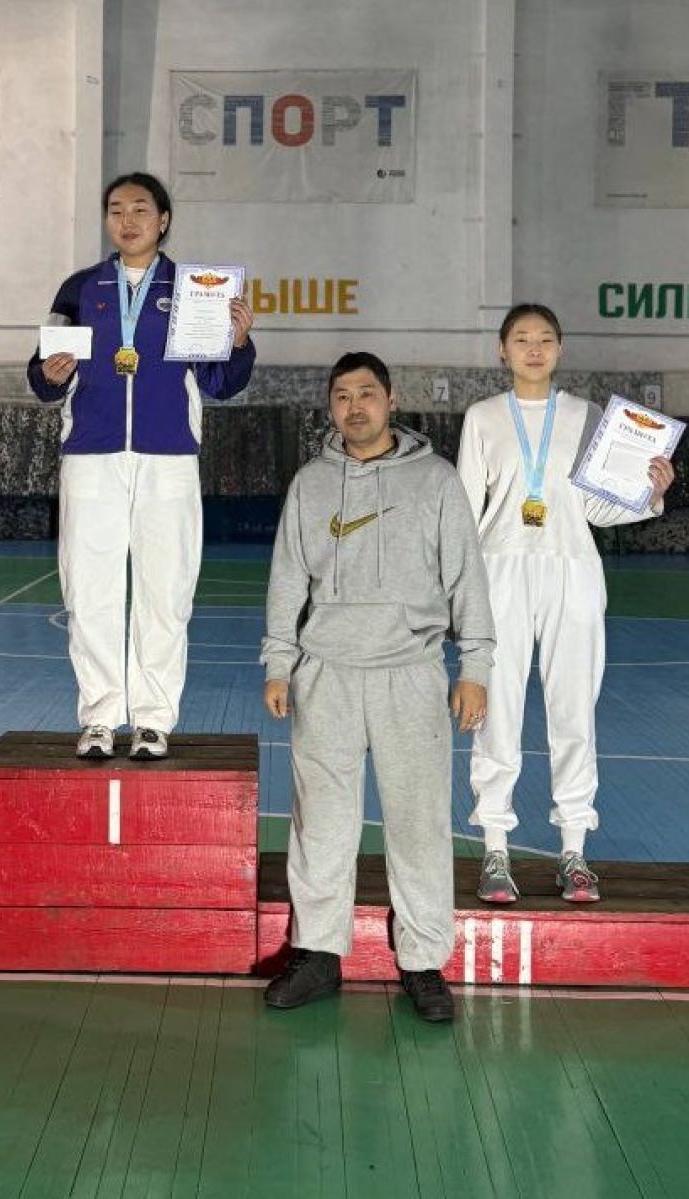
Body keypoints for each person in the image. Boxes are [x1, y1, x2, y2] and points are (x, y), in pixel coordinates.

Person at [260, 352, 494, 1023]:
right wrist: (279, 662)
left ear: (391, 400)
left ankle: (422, 960)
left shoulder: (436, 480)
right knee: (321, 824)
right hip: (325, 672)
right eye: (342, 395)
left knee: (419, 823)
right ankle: (317, 952)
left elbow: (467, 579)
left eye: (366, 393)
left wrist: (474, 668)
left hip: (409, 673)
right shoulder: (311, 483)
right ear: (330, 408)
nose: (354, 406)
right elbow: (287, 577)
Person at [27, 172, 255, 761]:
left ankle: (153, 719)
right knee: (90, 590)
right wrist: (47, 373)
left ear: (163, 220)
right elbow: (45, 375)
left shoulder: (194, 290)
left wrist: (237, 342)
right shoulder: (79, 289)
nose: (126, 221)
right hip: (92, 455)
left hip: (168, 456)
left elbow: (220, 382)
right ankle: (100, 717)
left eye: (139, 209)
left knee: (165, 590)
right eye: (115, 210)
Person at [456, 303, 674, 906]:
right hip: (499, 572)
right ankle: (495, 848)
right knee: (496, 710)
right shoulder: (482, 418)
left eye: (545, 339)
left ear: (560, 348)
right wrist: (459, 595)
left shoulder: (587, 416)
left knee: (574, 710)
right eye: (521, 339)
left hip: (572, 569)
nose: (534, 349)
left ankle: (574, 850)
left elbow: (598, 507)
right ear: (502, 350)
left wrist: (649, 493)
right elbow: (466, 511)